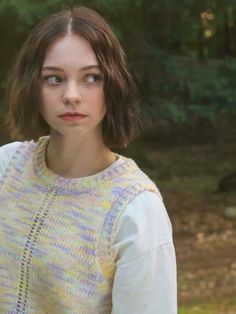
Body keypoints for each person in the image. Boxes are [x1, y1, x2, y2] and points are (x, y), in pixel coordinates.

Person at [0, 6, 177, 314]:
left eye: (91, 78)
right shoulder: (5, 168)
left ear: (113, 85)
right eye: (54, 79)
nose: (72, 95)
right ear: (33, 87)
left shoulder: (136, 210)